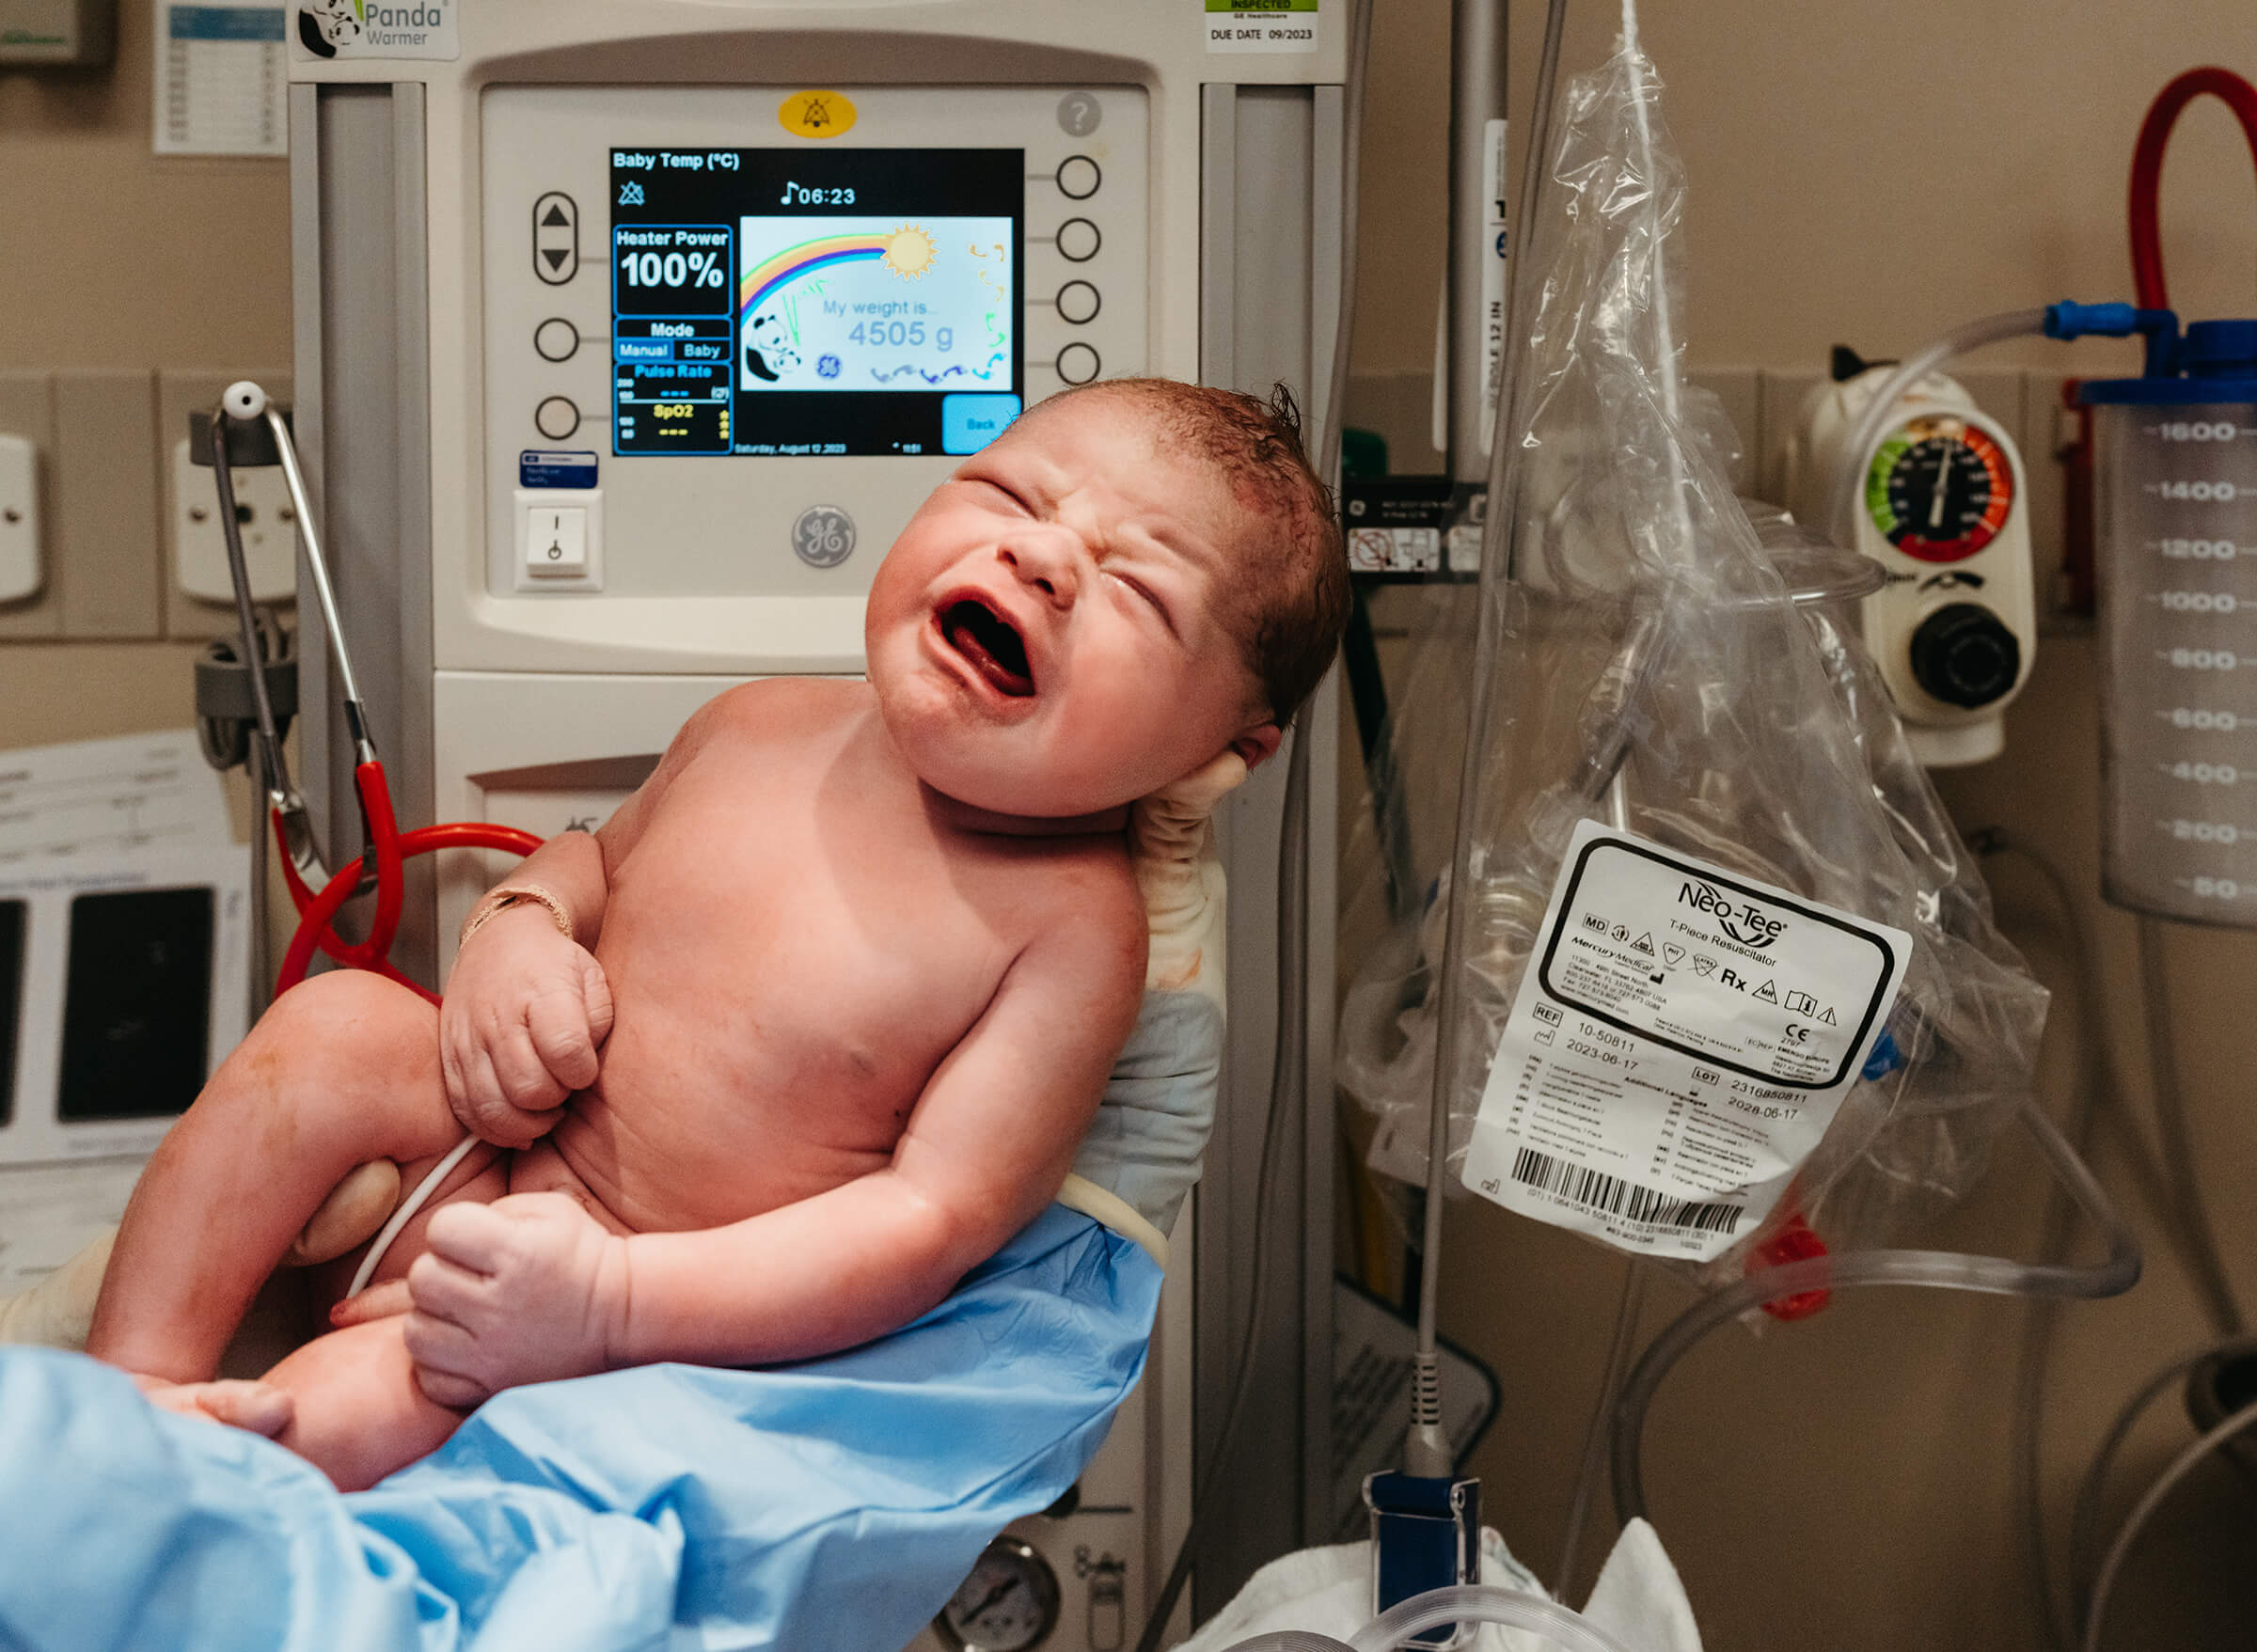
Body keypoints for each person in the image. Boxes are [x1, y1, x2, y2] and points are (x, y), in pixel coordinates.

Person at [84, 377, 1349, 1492]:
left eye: (1135, 586)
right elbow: (596, 859)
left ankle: (181, 1492)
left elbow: (926, 1222)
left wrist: (611, 1306)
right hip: (464, 1133)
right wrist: (522, 927)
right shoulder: (758, 721)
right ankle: (124, 1380)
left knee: (396, 1394)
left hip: (616, 1300)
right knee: (333, 1026)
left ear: (1220, 754)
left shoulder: (1073, 933)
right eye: (1012, 494)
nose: (1044, 559)